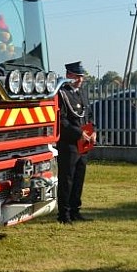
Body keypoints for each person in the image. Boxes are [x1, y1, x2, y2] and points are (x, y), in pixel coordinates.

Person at [56, 61, 96, 224]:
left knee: (79, 178)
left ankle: (75, 210)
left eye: (81, 76)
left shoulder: (82, 93)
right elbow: (61, 120)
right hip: (69, 143)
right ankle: (64, 214)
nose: (80, 79)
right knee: (67, 179)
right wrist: (79, 133)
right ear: (68, 76)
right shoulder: (62, 94)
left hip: (84, 143)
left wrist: (93, 131)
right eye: (76, 76)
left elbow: (89, 115)